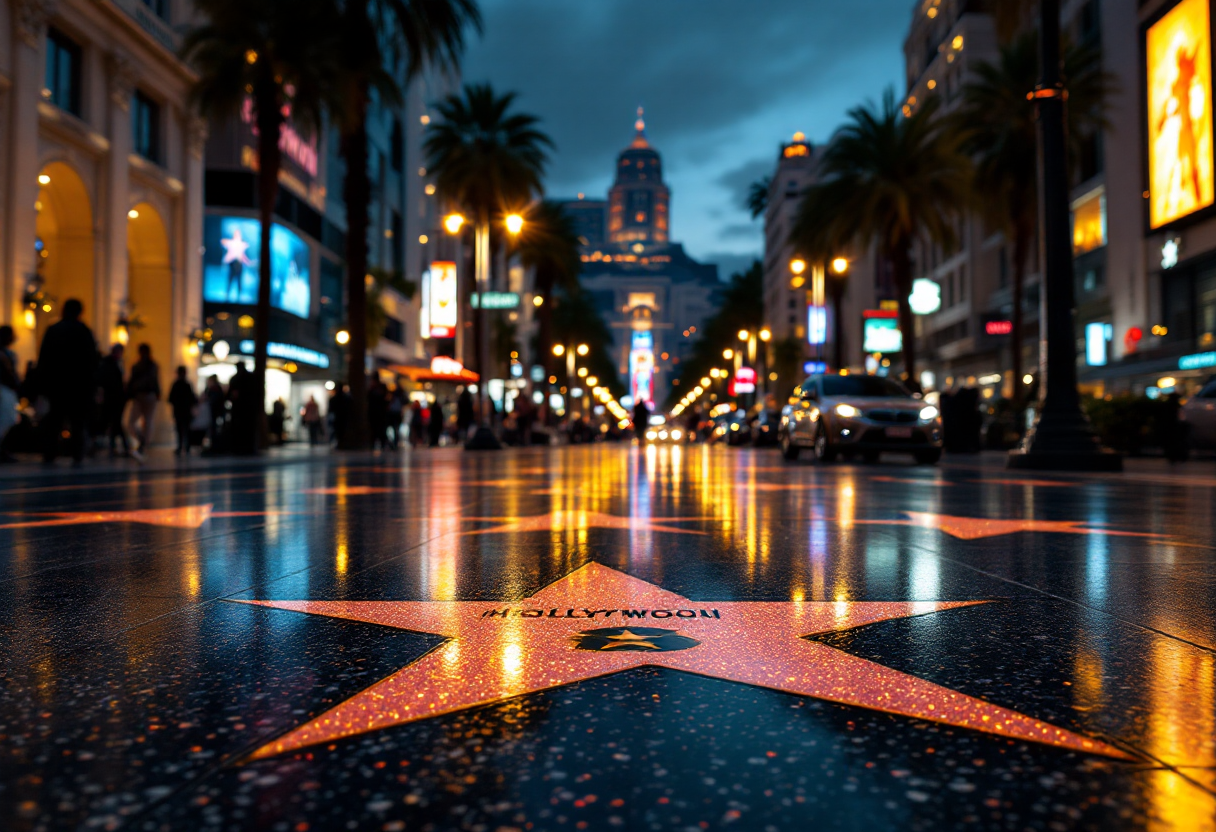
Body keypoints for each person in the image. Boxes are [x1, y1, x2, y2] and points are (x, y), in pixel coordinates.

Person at [37, 299, 99, 464]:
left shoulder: (53, 330)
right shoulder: (84, 331)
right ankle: (77, 455)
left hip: (57, 384)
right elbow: (92, 361)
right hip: (79, 385)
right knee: (77, 422)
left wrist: (42, 384)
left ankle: (49, 454)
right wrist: (92, 386)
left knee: (54, 420)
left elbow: (44, 359)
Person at [125, 343, 161, 461]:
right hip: (146, 395)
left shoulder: (140, 366)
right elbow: (155, 381)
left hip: (142, 394)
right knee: (145, 421)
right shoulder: (151, 365)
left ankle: (143, 441)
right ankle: (144, 440)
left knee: (139, 421)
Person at [96, 344, 128, 456]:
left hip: (115, 397)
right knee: (113, 422)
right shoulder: (109, 364)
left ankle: (115, 445)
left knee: (114, 422)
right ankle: (123, 446)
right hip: (112, 397)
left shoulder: (114, 363)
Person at [227, 362, 257, 454]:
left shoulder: (235, 379)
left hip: (238, 409)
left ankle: (238, 448)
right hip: (249, 409)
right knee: (248, 430)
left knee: (238, 430)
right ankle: (248, 448)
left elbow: (230, 394)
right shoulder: (251, 378)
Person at [168, 366, 197, 457]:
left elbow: (170, 398)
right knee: (186, 430)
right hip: (185, 411)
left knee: (180, 430)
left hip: (179, 411)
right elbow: (192, 398)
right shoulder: (187, 384)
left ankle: (181, 447)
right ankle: (186, 447)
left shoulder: (176, 384)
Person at [0, 326, 20, 462]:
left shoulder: (7, 353)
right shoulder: (3, 354)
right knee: (6, 418)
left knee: (9, 418)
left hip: (8, 388)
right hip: (4, 388)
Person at [204, 376, 226, 453]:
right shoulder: (216, 389)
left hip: (215, 413)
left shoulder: (214, 389)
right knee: (214, 430)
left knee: (214, 430)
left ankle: (215, 446)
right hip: (216, 413)